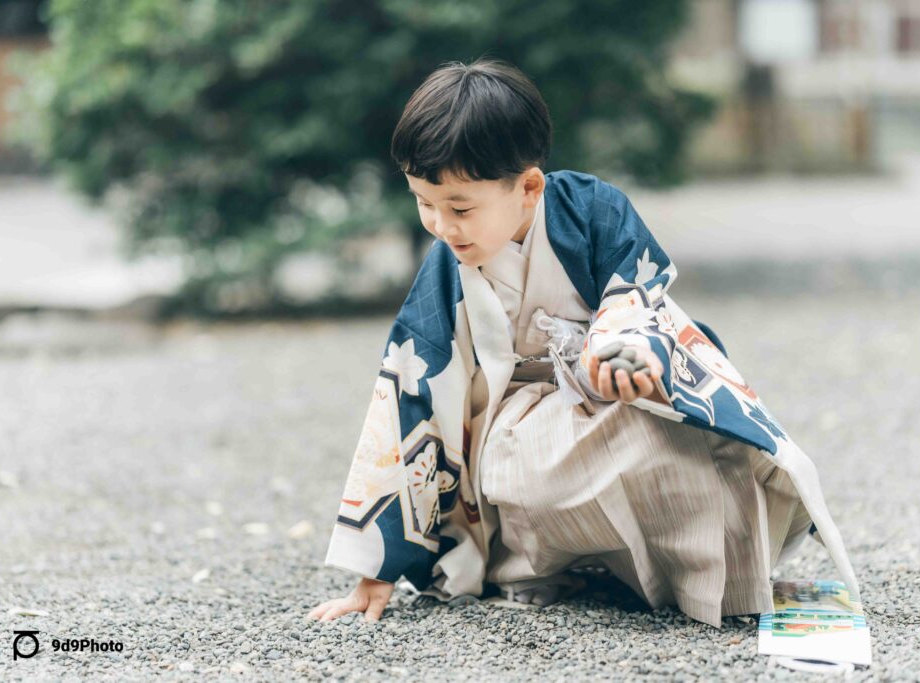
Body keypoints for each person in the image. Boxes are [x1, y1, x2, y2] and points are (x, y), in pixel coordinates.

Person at [306, 58, 859, 627]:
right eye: (425, 204)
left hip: (625, 389)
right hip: (514, 423)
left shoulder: (592, 211)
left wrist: (627, 357)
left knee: (677, 446)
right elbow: (407, 400)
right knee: (533, 468)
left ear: (528, 186)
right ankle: (544, 568)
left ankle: (696, 581)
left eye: (461, 208)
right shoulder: (445, 272)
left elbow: (637, 301)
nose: (443, 227)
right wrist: (376, 572)